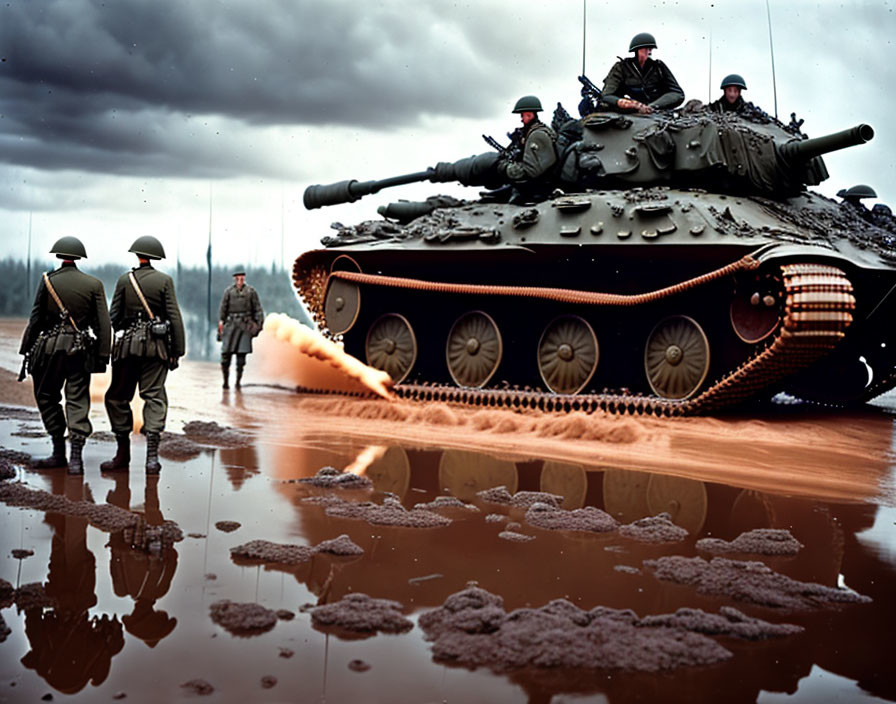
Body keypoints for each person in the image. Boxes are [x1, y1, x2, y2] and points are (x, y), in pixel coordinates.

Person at [18, 236, 111, 475]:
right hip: (79, 351)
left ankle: (58, 452)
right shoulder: (94, 284)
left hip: (49, 349)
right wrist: (102, 355)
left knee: (46, 396)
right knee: (78, 399)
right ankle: (76, 461)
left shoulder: (47, 281)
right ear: (79, 257)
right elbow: (103, 324)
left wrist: (26, 349)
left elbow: (36, 318)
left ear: (59, 256)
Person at [101, 236, 185, 474]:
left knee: (118, 397)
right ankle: (151, 460)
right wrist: (177, 351)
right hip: (157, 349)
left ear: (137, 255)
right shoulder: (165, 280)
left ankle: (122, 455)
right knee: (154, 397)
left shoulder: (124, 280)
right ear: (156, 257)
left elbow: (113, 317)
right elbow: (174, 317)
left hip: (127, 348)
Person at [601, 32, 684, 114]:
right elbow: (607, 95)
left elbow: (677, 93)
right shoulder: (621, 67)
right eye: (645, 48)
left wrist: (652, 106)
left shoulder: (658, 67)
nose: (648, 51)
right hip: (629, 111)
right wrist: (623, 102)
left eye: (650, 48)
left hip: (656, 110)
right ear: (636, 50)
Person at [495, 95, 558, 203]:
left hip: (543, 185)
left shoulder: (537, 135)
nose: (521, 119)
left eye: (523, 115)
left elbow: (532, 170)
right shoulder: (537, 130)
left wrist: (506, 168)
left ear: (529, 115)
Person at [217, 267, 265, 389]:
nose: (239, 280)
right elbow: (223, 308)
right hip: (231, 324)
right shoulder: (229, 292)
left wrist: (259, 325)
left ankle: (238, 381)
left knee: (241, 357)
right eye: (237, 278)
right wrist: (221, 322)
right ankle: (225, 381)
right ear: (234, 278)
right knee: (225, 355)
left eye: (241, 277)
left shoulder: (251, 292)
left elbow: (257, 309)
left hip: (245, 325)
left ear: (244, 278)